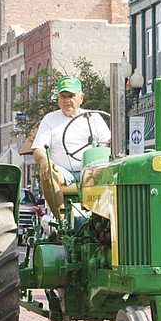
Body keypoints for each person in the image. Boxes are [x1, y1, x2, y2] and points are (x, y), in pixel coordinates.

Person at [32, 76, 110, 217]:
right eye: (63, 96)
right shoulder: (50, 119)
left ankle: (105, 219)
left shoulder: (93, 118)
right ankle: (62, 220)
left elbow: (108, 143)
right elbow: (38, 149)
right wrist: (44, 161)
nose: (67, 100)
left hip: (91, 170)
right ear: (58, 99)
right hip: (63, 172)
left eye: (71, 96)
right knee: (47, 172)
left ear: (81, 98)